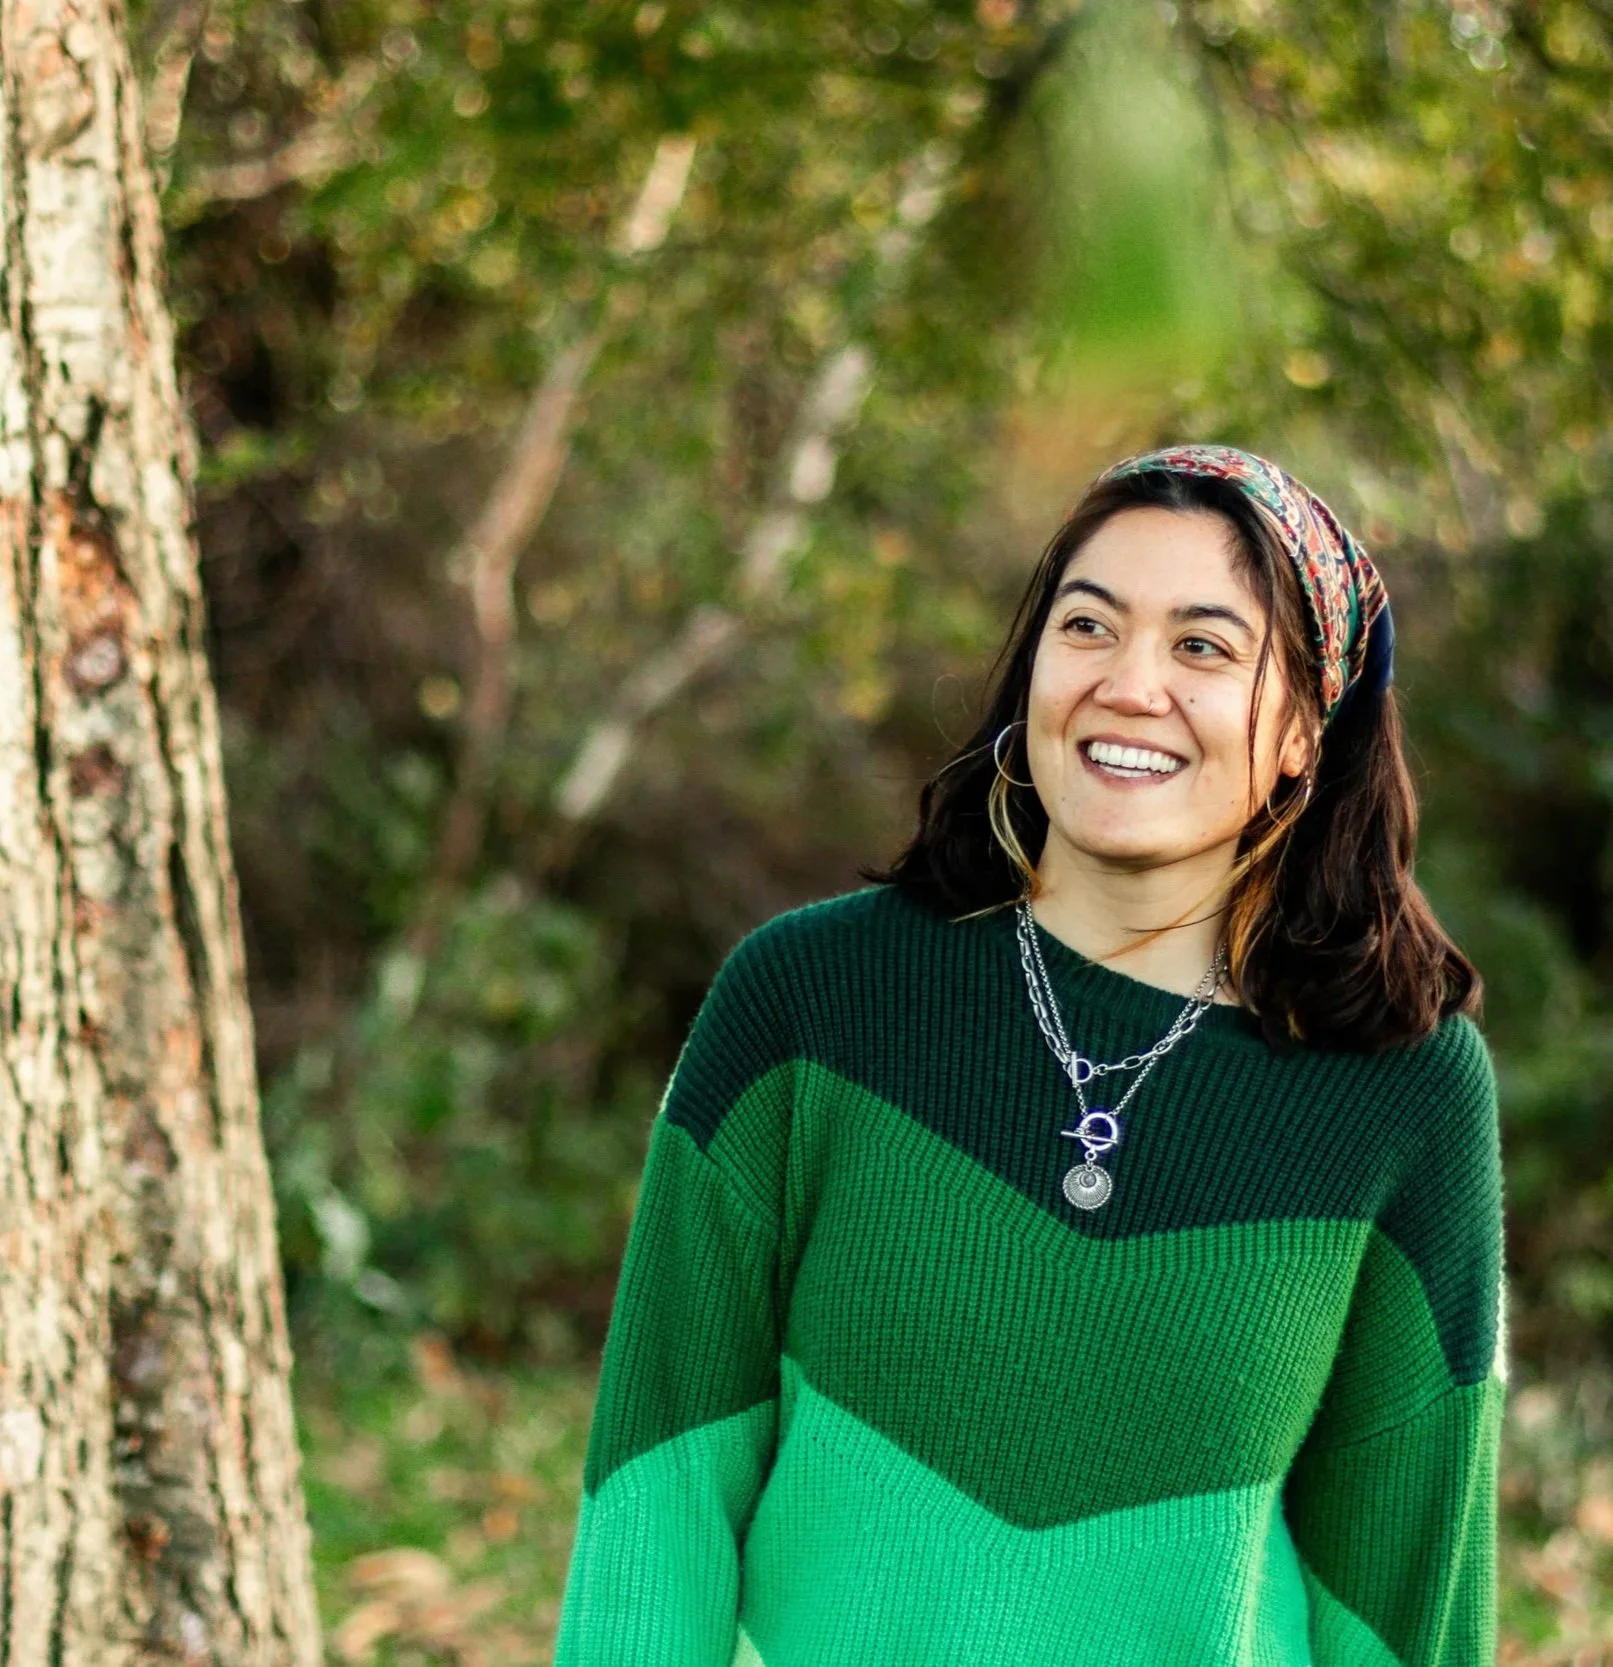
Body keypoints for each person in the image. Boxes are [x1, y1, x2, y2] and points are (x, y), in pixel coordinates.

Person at [551, 443, 1508, 1667]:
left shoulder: (1400, 1089)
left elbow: (1406, 1591)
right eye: (1088, 626)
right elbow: (660, 1485)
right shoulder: (813, 999)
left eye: (1203, 646)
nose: (1128, 684)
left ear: (1301, 739)